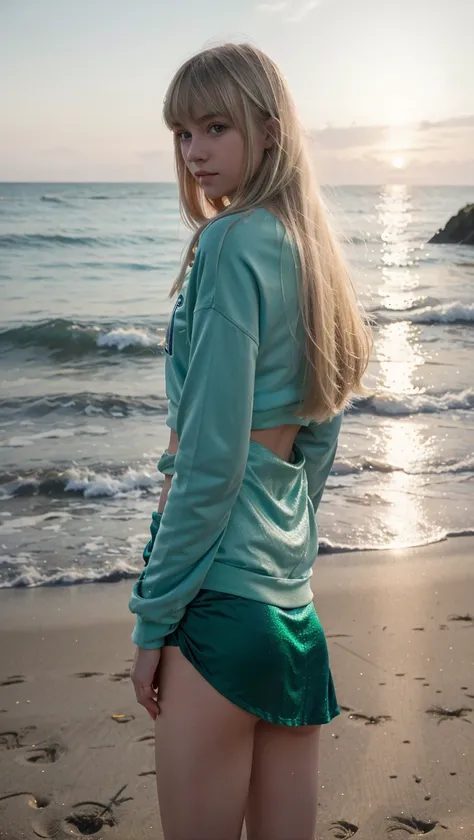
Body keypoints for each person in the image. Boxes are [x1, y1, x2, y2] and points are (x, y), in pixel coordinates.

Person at [129, 42, 372, 840]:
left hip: (218, 613)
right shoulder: (314, 255)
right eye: (181, 133)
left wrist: (152, 619)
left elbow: (206, 462)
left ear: (268, 131)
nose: (194, 151)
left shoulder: (228, 243)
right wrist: (285, 551)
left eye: (213, 127)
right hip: (292, 615)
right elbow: (319, 439)